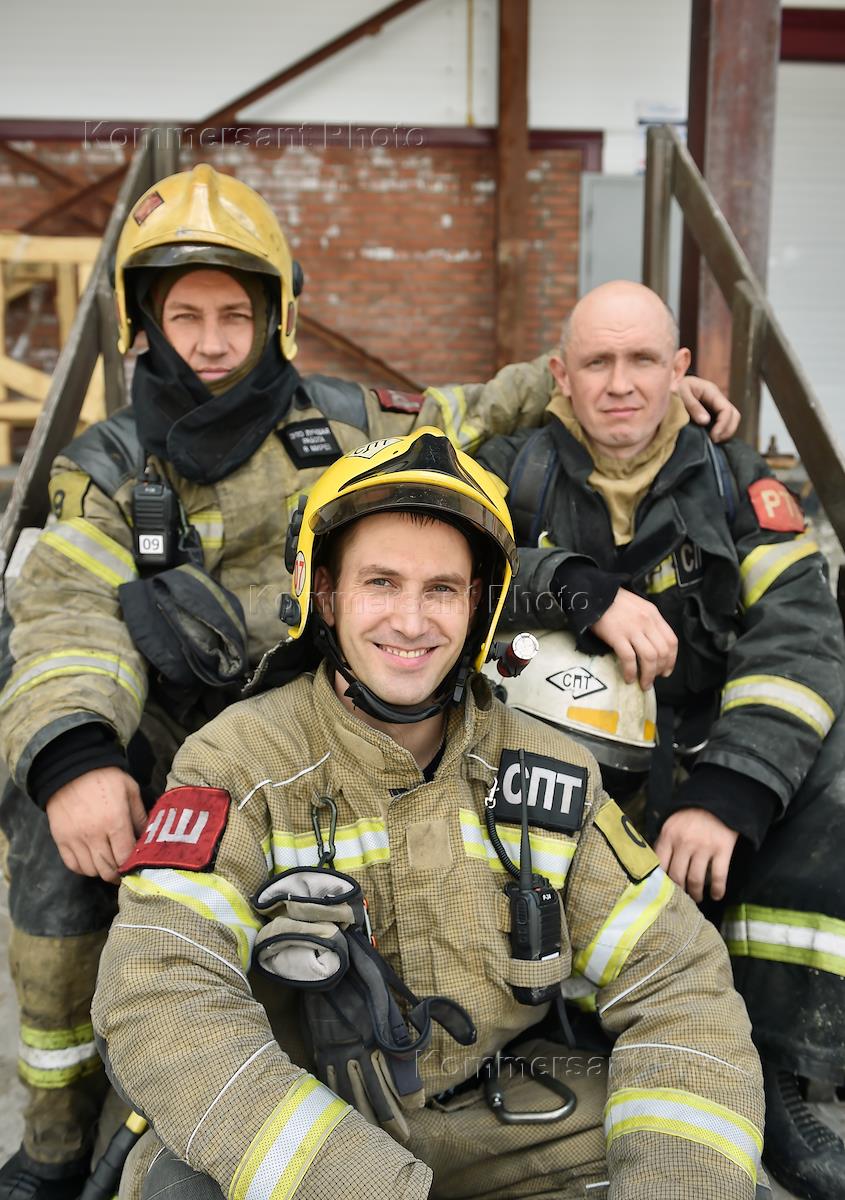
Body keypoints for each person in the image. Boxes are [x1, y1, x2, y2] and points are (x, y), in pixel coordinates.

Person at [0, 166, 737, 1199]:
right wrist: (76, 754)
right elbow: (68, 618)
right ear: (144, 323)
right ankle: (54, 1142)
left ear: (276, 316)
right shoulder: (110, 466)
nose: (210, 342)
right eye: (185, 317)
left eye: (232, 315)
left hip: (364, 740)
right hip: (191, 738)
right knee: (67, 869)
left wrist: (613, 389)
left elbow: (466, 411)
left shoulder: (349, 423)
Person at [91, 428, 766, 1200]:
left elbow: (675, 979)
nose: (411, 622)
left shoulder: (549, 772)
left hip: (508, 1119)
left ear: (479, 606)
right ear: (324, 594)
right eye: (380, 583)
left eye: (441, 589)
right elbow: (159, 986)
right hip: (310, 1133)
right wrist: (363, 1184)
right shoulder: (239, 762)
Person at [473, 279, 845, 1200]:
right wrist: (572, 585)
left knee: (832, 762)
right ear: (559, 375)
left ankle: (777, 1059)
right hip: (546, 769)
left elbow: (799, 631)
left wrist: (733, 790)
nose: (620, 383)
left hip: (698, 776)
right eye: (596, 362)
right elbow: (445, 562)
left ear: (680, 370)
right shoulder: (510, 468)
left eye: (642, 359)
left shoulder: (732, 480)